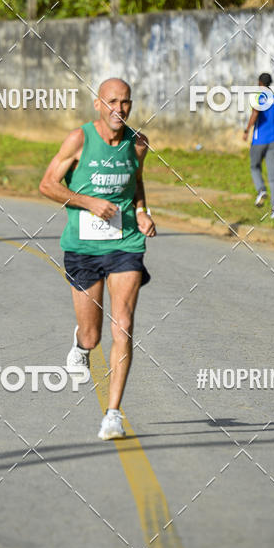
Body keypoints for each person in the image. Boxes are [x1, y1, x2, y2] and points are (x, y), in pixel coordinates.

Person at [39, 78, 156, 440]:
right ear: (97, 104)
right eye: (111, 102)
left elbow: (135, 183)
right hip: (84, 248)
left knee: (123, 324)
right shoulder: (79, 139)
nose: (118, 109)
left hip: (125, 245)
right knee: (93, 336)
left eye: (125, 102)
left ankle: (113, 414)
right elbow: (47, 185)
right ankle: (80, 344)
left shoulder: (138, 144)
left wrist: (141, 210)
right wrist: (90, 203)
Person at [243, 72, 274, 218]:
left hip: (259, 140)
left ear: (260, 83)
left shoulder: (258, 97)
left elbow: (255, 113)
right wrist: (273, 125)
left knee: (254, 166)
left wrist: (247, 130)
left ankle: (261, 189)